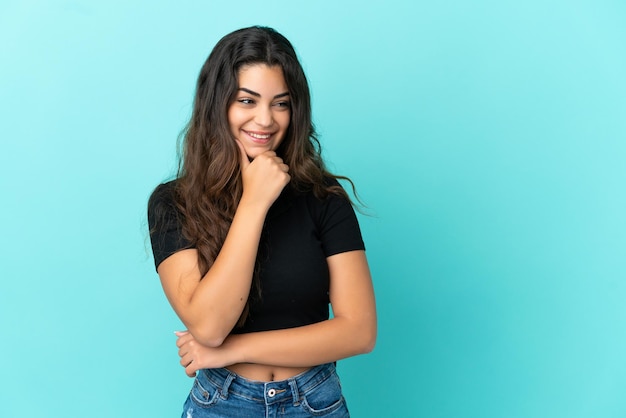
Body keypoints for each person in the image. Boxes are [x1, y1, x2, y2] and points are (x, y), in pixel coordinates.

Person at [148, 26, 376, 418]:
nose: (265, 119)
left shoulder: (323, 199)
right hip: (222, 403)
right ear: (217, 104)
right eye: (247, 100)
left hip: (314, 401)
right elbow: (209, 327)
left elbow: (359, 331)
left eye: (281, 103)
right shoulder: (174, 203)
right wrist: (253, 203)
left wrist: (234, 350)